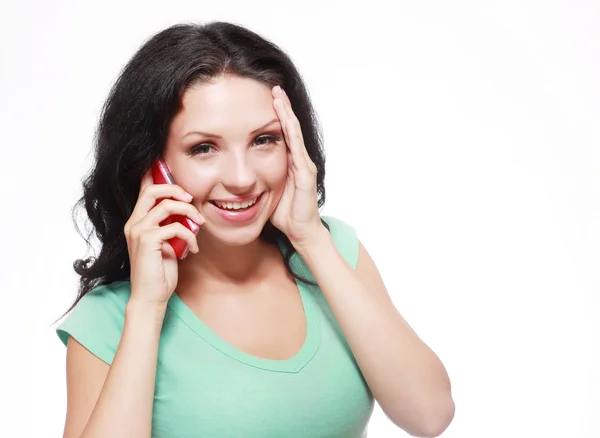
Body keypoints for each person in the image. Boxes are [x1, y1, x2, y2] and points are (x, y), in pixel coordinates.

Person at [55, 21, 455, 438]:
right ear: (154, 167)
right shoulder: (113, 317)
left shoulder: (334, 250)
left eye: (264, 140)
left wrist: (310, 239)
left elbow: (430, 415)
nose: (242, 177)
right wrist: (148, 309)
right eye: (203, 148)